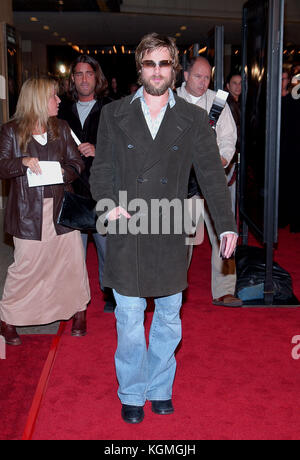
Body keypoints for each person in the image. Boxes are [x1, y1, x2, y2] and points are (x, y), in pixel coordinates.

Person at [90, 33, 237, 424]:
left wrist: (226, 225)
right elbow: (101, 169)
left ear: (175, 69)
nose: (157, 71)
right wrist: (109, 204)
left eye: (164, 64)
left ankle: (160, 387)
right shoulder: (114, 114)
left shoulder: (191, 119)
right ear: (140, 69)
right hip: (128, 226)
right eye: (150, 64)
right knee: (131, 317)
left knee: (170, 317)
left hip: (171, 226)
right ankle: (133, 390)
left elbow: (210, 175)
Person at [0, 76, 91, 345]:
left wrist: (65, 173)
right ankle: (8, 318)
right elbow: (2, 166)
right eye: (54, 95)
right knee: (25, 267)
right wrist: (23, 161)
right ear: (39, 99)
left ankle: (79, 312)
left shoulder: (61, 128)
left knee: (71, 263)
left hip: (62, 209)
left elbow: (77, 163)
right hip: (29, 212)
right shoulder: (10, 131)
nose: (59, 100)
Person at [177, 57, 242, 308]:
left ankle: (224, 289)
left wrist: (224, 157)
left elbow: (228, 136)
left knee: (223, 231)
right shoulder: (172, 101)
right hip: (185, 180)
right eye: (197, 77)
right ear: (185, 75)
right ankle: (175, 287)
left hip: (213, 177)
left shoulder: (218, 101)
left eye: (207, 77)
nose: (203, 83)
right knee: (182, 235)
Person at [58, 54, 115, 312]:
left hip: (103, 189)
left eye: (88, 74)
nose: (84, 79)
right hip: (71, 190)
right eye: (79, 74)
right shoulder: (60, 111)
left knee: (108, 249)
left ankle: (111, 295)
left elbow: (127, 149)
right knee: (72, 254)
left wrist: (99, 149)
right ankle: (76, 301)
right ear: (72, 79)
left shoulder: (112, 108)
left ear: (97, 77)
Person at [225, 72, 242, 215]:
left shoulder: (237, 102)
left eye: (240, 83)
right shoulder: (229, 103)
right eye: (234, 83)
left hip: (232, 153)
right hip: (231, 153)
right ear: (228, 86)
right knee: (230, 190)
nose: (238, 86)